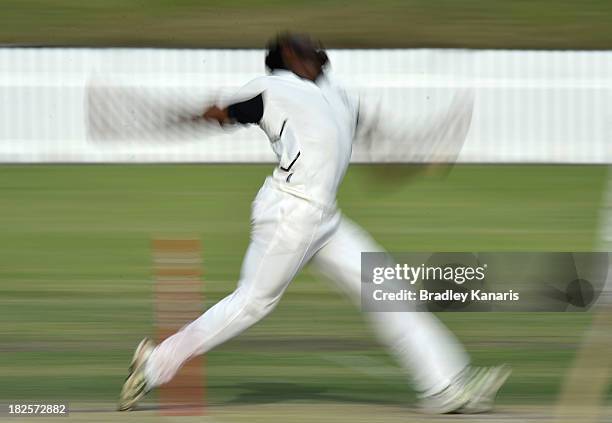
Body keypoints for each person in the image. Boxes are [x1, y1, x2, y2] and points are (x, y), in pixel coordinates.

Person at [118, 32, 510, 414]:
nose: (319, 45)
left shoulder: (339, 94)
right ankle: (153, 366)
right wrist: (181, 115)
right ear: (289, 52)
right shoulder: (272, 88)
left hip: (326, 221)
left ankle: (445, 388)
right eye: (308, 42)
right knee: (251, 304)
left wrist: (424, 154)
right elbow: (223, 114)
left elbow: (382, 164)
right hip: (289, 214)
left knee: (388, 292)